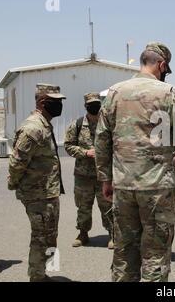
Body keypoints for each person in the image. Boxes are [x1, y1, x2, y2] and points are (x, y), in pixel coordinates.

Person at [95, 42, 175, 282]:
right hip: (158, 190)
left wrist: (105, 178)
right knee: (155, 255)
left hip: (123, 186)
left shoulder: (115, 92)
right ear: (161, 65)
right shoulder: (168, 92)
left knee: (124, 254)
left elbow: (101, 138)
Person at [8, 83, 66, 281]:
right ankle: (37, 277)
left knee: (49, 236)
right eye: (55, 102)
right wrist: (14, 184)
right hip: (37, 194)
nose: (59, 105)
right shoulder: (33, 127)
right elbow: (17, 162)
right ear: (42, 102)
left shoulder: (43, 124)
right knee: (40, 237)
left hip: (47, 192)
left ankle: (42, 273)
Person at [65, 93, 114, 249]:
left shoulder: (107, 124)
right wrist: (85, 153)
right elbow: (68, 146)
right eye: (91, 104)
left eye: (97, 104)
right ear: (86, 106)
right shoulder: (77, 125)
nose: (94, 107)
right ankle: (83, 233)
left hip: (104, 176)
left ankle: (113, 234)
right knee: (83, 206)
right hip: (83, 176)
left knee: (108, 206)